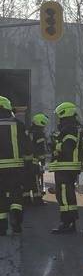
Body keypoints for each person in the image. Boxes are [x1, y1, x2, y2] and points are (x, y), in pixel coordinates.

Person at [48, 102, 82, 234]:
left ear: (64, 113)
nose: (58, 119)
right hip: (68, 167)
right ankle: (71, 222)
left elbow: (68, 147)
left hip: (65, 167)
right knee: (68, 195)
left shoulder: (68, 129)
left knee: (63, 195)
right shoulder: (71, 127)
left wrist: (55, 146)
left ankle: (65, 223)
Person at [0, 96, 30, 235]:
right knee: (16, 192)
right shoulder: (18, 124)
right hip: (15, 166)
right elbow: (26, 145)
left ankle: (1, 227)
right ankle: (16, 216)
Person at [25, 113, 49, 206]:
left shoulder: (27, 131)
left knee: (26, 180)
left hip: (24, 161)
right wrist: (42, 161)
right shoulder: (39, 134)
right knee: (35, 181)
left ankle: (26, 200)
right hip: (34, 161)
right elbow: (41, 149)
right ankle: (37, 199)